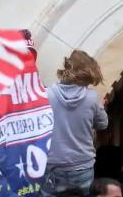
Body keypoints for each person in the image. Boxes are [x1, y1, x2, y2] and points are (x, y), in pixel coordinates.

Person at [44, 51, 109, 197]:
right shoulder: (92, 98)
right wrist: (100, 107)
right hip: (82, 166)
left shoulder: (47, 94)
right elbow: (103, 124)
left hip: (53, 165)